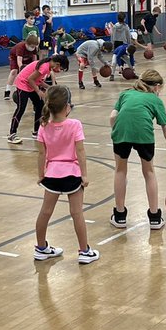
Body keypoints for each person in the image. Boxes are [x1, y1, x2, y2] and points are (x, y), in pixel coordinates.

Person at [109, 69, 166, 230]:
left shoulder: (126, 94)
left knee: (120, 171)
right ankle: (154, 217)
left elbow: (112, 117)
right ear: (157, 87)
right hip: (144, 134)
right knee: (149, 172)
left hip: (121, 131)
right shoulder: (155, 100)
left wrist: (117, 131)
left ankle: (119, 216)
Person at [33, 86, 99, 264]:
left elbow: (41, 154)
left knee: (45, 212)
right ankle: (84, 251)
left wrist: (41, 174)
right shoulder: (75, 124)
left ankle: (41, 248)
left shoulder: (43, 126)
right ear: (67, 107)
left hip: (52, 174)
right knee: (77, 213)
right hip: (72, 174)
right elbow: (80, 151)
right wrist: (84, 175)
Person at [9, 54, 67, 145]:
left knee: (40, 106)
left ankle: (37, 131)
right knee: (21, 108)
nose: (59, 71)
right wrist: (39, 91)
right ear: (57, 64)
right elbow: (30, 79)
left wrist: (51, 88)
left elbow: (39, 81)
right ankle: (12, 134)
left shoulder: (48, 67)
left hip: (31, 85)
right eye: (61, 69)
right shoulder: (44, 67)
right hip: (23, 84)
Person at [5, 33, 39, 100]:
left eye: (34, 47)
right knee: (14, 71)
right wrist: (22, 70)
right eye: (31, 46)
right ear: (27, 44)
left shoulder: (34, 49)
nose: (33, 48)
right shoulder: (20, 47)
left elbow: (34, 59)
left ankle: (30, 90)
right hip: (15, 57)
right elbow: (19, 61)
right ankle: (7, 91)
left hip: (27, 58)